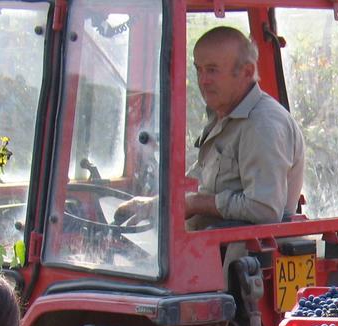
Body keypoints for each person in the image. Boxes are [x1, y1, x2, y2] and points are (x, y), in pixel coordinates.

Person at [115, 26, 305, 230]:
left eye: (212, 70)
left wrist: (197, 203)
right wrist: (154, 206)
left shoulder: (262, 125)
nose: (203, 81)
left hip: (242, 257)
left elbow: (265, 210)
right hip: (208, 251)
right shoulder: (224, 116)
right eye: (199, 69)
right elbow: (203, 184)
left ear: (247, 71)